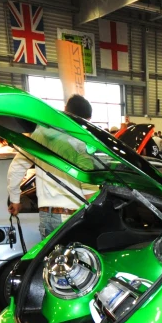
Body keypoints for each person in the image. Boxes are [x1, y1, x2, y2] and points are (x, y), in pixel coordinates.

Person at [7, 94, 98, 239]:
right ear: (83, 120)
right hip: (71, 216)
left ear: (65, 110)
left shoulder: (40, 134)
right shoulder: (80, 142)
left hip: (45, 215)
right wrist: (98, 210)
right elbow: (87, 184)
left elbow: (16, 167)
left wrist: (15, 200)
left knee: (50, 261)